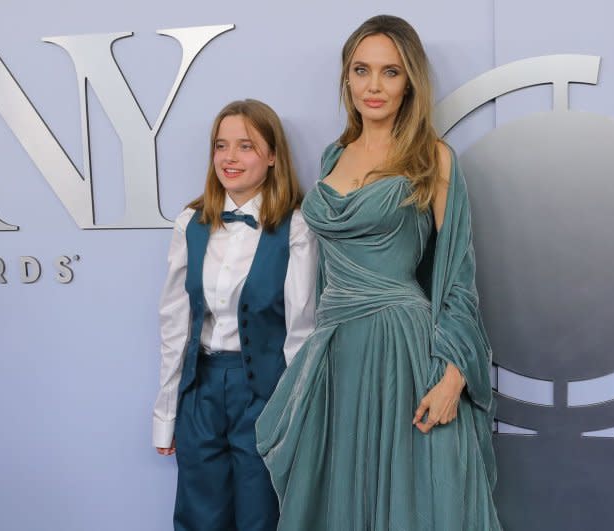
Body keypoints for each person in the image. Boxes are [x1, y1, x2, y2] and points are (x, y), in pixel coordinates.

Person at [256, 15, 502, 531]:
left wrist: (454, 376)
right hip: (337, 353)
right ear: (346, 77)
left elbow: (457, 275)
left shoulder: (433, 158)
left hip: (404, 351)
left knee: (411, 503)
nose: (374, 85)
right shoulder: (332, 156)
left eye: (390, 72)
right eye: (361, 70)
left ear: (410, 80)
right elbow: (322, 274)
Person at [152, 99, 317, 531]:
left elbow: (301, 333)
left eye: (246, 146)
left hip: (263, 392)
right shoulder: (190, 222)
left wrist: (295, 417)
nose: (230, 157)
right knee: (198, 515)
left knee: (262, 515)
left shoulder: (295, 227)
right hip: (201, 389)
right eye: (221, 145)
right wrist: (166, 415)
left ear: (272, 155)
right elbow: (174, 325)